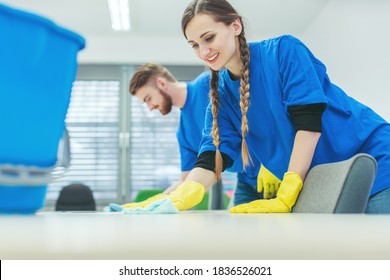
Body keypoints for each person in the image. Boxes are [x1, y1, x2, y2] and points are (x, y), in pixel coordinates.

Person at [172, 0, 390, 214]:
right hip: (324, 180)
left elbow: (309, 124)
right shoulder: (220, 95)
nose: (203, 52)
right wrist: (181, 196)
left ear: (236, 26)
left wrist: (288, 191)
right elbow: (214, 155)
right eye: (194, 45)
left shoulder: (284, 51)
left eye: (209, 38)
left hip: (375, 158)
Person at [126, 63, 264, 209]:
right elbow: (186, 181)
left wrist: (268, 166)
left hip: (273, 169)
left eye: (148, 99)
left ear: (161, 83)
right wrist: (155, 202)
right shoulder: (183, 134)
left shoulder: (208, 83)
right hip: (246, 181)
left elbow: (256, 111)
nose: (150, 107)